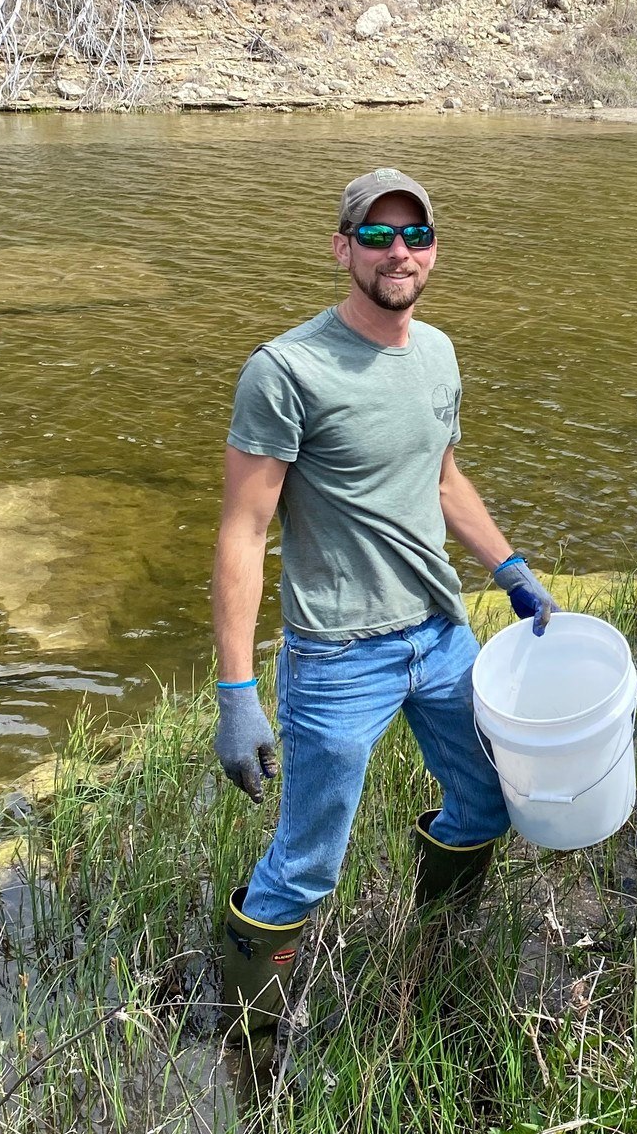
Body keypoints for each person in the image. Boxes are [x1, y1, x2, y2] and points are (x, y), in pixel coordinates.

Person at [211, 166, 557, 1039]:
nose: (397, 252)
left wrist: (508, 568)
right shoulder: (286, 370)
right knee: (308, 864)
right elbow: (244, 534)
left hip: (443, 638)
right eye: (376, 235)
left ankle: (436, 952)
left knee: (487, 800)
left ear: (433, 251)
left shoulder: (437, 352)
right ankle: (247, 1032)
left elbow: (442, 480)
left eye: (414, 236)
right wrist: (236, 696)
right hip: (336, 657)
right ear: (343, 248)